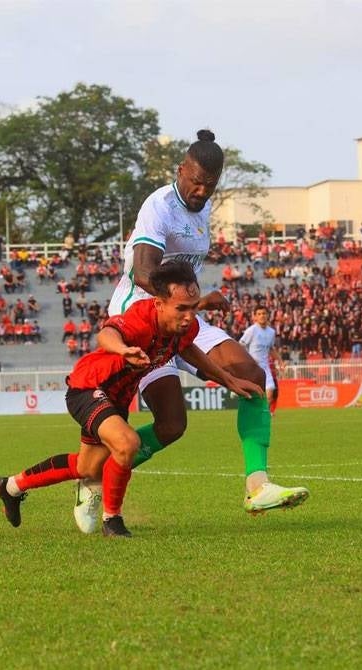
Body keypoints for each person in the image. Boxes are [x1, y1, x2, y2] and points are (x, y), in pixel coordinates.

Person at [69, 129, 309, 533]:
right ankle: (93, 478)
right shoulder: (159, 206)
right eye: (195, 181)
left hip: (183, 319)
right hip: (142, 322)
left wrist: (192, 309)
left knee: (251, 375)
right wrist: (195, 302)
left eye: (209, 185)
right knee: (171, 424)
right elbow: (145, 273)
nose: (201, 191)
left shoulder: (203, 206)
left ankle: (257, 485)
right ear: (180, 170)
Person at [0, 262, 260, 537]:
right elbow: (107, 333)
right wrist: (124, 349)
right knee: (127, 443)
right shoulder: (141, 317)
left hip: (116, 399)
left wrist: (229, 380)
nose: (190, 316)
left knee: (87, 467)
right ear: (158, 304)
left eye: (193, 306)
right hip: (89, 387)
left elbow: (188, 349)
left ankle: (10, 487)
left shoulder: (182, 325)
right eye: (182, 308)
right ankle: (113, 520)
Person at [239, 306, 279, 413]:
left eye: (264, 313)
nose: (262, 316)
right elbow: (240, 345)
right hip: (252, 368)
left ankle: (261, 414)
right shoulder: (251, 330)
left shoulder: (271, 332)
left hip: (265, 368)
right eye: (259, 314)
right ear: (255, 317)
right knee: (252, 396)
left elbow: (271, 348)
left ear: (268, 315)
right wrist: (249, 359)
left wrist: (281, 361)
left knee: (270, 394)